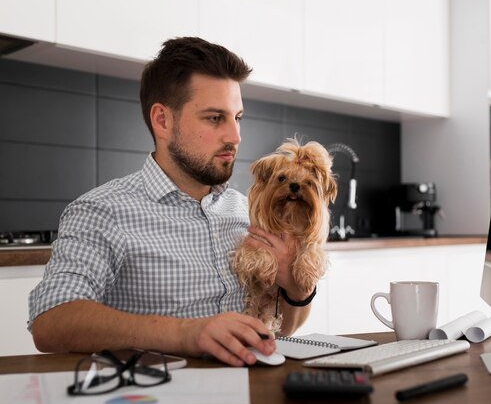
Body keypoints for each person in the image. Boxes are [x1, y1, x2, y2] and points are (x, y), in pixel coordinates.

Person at [27, 37, 316, 367]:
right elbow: (51, 321)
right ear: (162, 120)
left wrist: (296, 289)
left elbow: (281, 327)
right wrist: (187, 334)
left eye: (238, 117)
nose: (235, 136)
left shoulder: (247, 211)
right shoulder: (101, 211)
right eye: (214, 118)